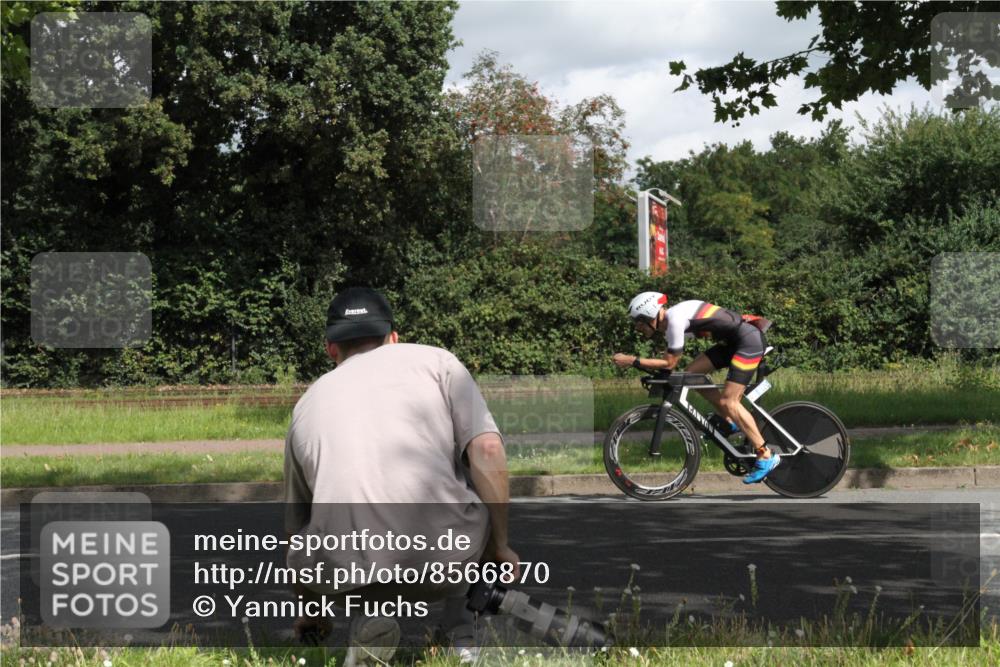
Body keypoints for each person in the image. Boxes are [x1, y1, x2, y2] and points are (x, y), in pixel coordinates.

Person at [284, 286, 518, 664]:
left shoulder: (307, 403)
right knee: (471, 463)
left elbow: (297, 524)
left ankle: (371, 620)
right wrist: (501, 545)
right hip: (443, 560)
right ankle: (459, 636)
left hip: (345, 572)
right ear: (393, 338)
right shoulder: (437, 363)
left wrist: (314, 609)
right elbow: (488, 449)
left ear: (330, 348)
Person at [612, 292, 780, 484]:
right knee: (691, 375)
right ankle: (729, 420)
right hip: (732, 343)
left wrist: (632, 360)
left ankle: (765, 454)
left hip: (748, 342)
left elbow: (669, 363)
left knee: (729, 400)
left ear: (649, 314)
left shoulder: (674, 320)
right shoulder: (670, 324)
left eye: (639, 322)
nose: (637, 327)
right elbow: (670, 362)